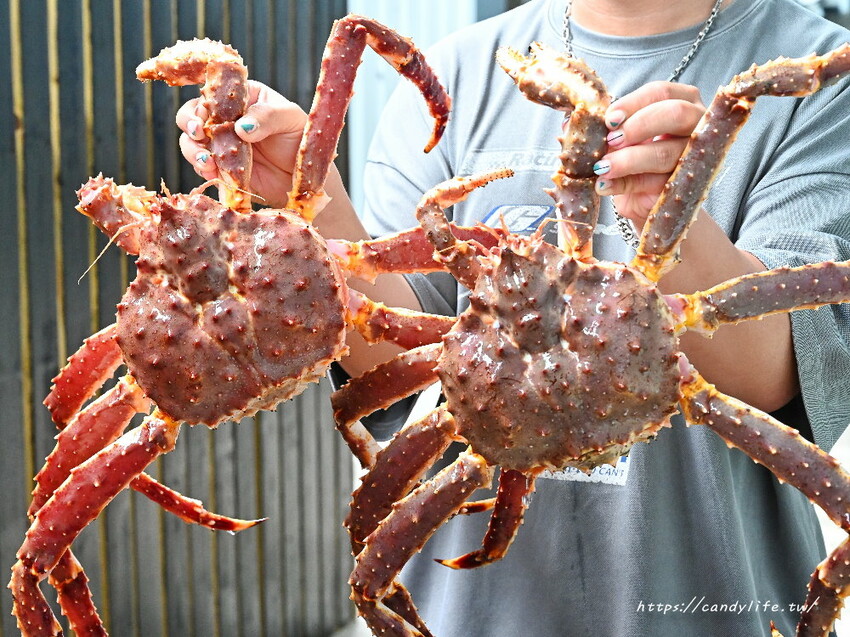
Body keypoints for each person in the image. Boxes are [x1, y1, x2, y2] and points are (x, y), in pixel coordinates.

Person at [177, 0, 850, 634]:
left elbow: (778, 370)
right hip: (468, 612)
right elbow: (392, 355)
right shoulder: (452, 73)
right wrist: (311, 199)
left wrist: (674, 223)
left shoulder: (819, 71)